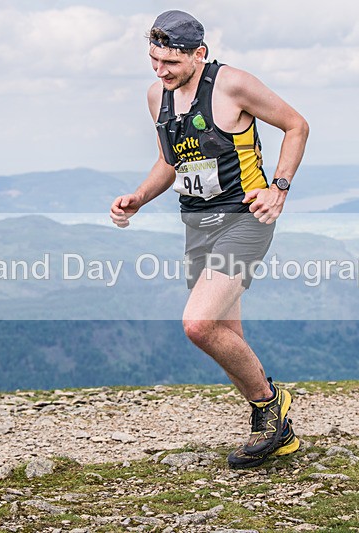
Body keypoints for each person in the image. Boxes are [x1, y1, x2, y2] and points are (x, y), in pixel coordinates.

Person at [110, 10, 309, 468]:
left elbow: (296, 125)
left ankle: (271, 402)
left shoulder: (233, 85)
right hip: (196, 222)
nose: (161, 71)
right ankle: (277, 434)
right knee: (223, 332)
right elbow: (170, 160)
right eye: (154, 60)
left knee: (198, 324)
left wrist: (278, 188)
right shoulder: (155, 95)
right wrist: (139, 197)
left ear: (198, 55)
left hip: (245, 217)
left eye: (171, 63)